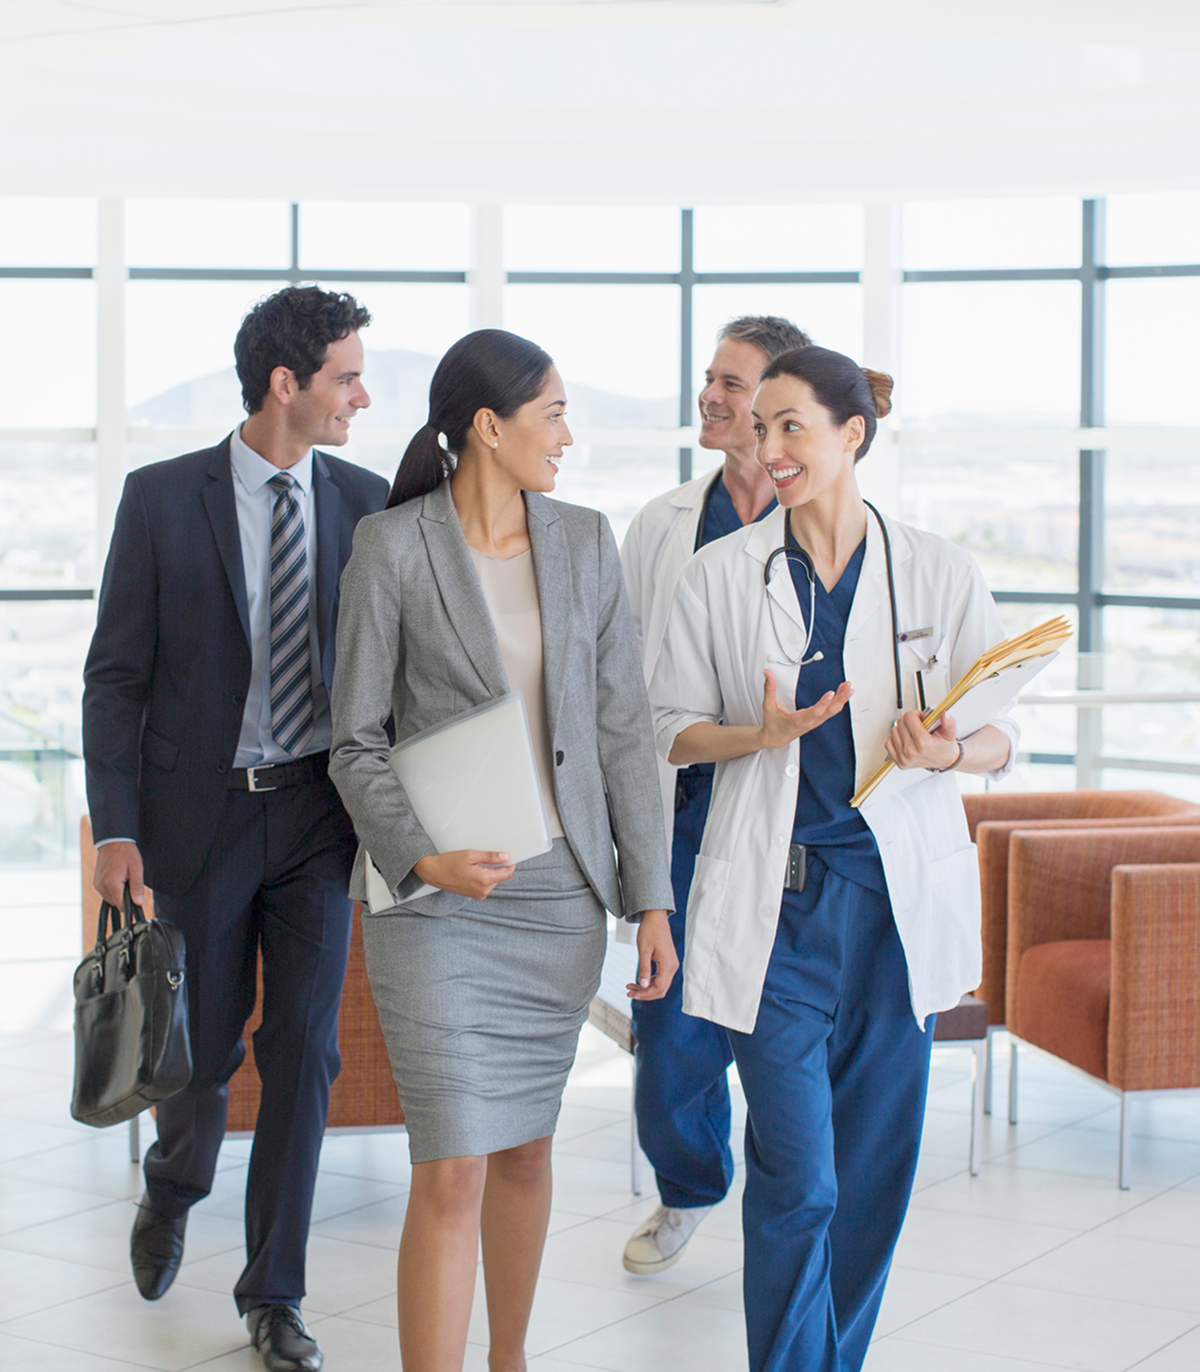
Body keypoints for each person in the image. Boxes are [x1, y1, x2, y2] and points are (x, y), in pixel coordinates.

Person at [648, 345, 1019, 1372]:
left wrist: (948, 752)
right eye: (760, 427)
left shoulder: (937, 568)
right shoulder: (723, 574)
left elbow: (998, 735)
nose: (768, 447)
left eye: (791, 427)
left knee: (870, 1176)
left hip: (895, 913)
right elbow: (668, 729)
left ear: (852, 434)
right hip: (776, 913)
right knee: (799, 1177)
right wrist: (757, 736)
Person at [327, 328, 677, 1372]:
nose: (566, 436)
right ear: (489, 424)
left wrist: (652, 900)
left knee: (525, 1149)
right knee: (452, 1165)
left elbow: (623, 731)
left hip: (560, 898)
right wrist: (421, 857)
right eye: (553, 414)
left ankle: (508, 1359)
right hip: (439, 906)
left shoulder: (585, 540)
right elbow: (354, 742)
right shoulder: (392, 546)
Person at [82, 285, 388, 1372]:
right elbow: (116, 678)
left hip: (317, 816)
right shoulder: (163, 499)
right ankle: (173, 1186)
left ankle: (274, 1294)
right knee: (202, 1052)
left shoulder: (367, 502)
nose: (362, 397)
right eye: (347, 377)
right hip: (199, 816)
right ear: (284, 383)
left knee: (304, 1055)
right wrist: (116, 827)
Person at [619, 315, 811, 1275]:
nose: (711, 395)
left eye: (732, 383)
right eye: (711, 377)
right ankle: (689, 1186)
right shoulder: (663, 522)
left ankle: (795, 1200)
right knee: (671, 1027)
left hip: (787, 816)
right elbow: (619, 675)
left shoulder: (820, 519)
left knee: (777, 1024)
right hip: (684, 812)